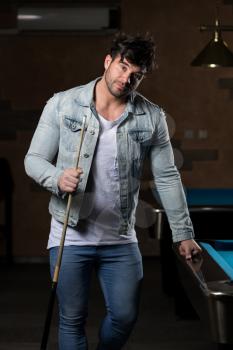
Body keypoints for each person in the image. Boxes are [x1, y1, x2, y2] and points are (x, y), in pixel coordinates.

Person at [25, 33, 202, 350]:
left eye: (137, 74)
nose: (127, 78)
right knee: (72, 320)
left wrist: (183, 233)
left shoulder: (152, 117)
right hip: (70, 233)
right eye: (123, 67)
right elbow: (34, 159)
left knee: (124, 317)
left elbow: (167, 176)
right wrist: (57, 178)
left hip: (119, 237)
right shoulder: (63, 104)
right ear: (108, 62)